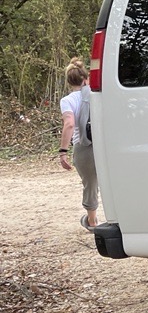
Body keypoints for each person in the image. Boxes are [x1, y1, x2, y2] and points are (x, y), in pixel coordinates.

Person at [59, 59, 99, 231]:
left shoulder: (67, 101)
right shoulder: (97, 95)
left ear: (69, 81)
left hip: (84, 147)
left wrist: (63, 151)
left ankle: (92, 221)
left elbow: (69, 124)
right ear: (85, 79)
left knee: (90, 184)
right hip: (103, 143)